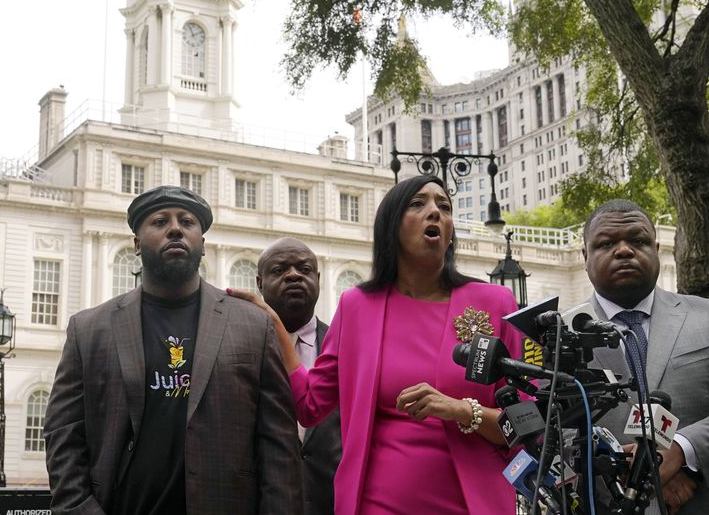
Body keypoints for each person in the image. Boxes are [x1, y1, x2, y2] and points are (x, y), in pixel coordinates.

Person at [231, 175, 525, 514]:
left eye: (443, 206)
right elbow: (309, 405)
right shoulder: (357, 306)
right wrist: (274, 325)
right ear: (391, 226)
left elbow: (528, 423)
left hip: (474, 502)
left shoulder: (495, 302)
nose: (435, 212)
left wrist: (460, 410)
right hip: (376, 503)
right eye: (418, 204)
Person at [44, 186, 302, 515]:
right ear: (136, 245)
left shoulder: (252, 325)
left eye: (187, 222)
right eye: (160, 221)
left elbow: (279, 443)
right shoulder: (89, 329)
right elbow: (63, 433)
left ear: (203, 244)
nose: (176, 228)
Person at [582, 199, 709, 515]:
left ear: (656, 248)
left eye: (637, 241)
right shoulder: (558, 339)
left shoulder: (708, 317)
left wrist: (686, 453)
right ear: (585, 257)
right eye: (606, 243)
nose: (624, 250)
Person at [256, 237, 342, 515]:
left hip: (333, 503)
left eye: (304, 270)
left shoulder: (347, 347)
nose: (293, 275)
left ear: (317, 278)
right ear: (259, 283)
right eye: (280, 270)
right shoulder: (240, 347)